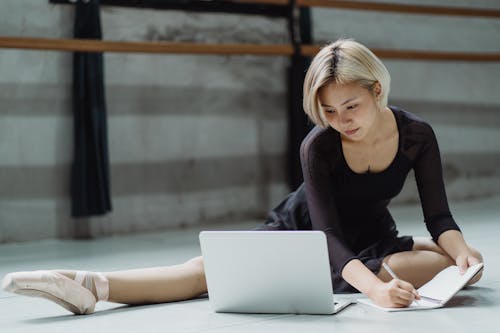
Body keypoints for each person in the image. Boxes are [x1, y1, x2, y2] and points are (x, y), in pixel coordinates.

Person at [2, 38, 483, 315]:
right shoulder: (318, 145)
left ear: (377, 90)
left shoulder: (418, 135)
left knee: (447, 259)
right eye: (329, 111)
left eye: (351, 106)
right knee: (206, 273)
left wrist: (461, 252)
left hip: (373, 235)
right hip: (308, 232)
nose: (341, 120)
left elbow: (440, 214)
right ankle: (88, 285)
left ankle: (401, 256)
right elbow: (328, 234)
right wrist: (375, 289)